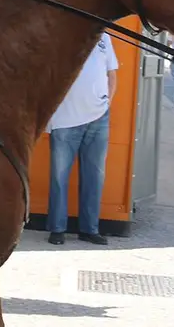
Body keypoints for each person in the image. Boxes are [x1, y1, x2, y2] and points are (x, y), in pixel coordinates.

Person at [45, 33, 120, 246]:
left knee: (94, 177)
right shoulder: (63, 33)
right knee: (59, 178)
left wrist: (106, 104)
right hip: (64, 119)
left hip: (99, 117)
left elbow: (111, 74)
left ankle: (89, 229)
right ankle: (57, 229)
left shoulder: (105, 37)